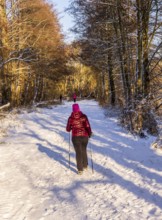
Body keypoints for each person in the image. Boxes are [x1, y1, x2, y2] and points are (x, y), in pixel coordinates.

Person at [66, 103, 92, 175]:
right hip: (85, 136)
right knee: (84, 150)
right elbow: (87, 126)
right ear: (79, 109)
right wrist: (89, 133)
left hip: (75, 137)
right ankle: (85, 165)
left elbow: (68, 129)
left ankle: (80, 170)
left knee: (78, 152)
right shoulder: (84, 116)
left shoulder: (70, 118)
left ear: (73, 110)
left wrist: (71, 127)